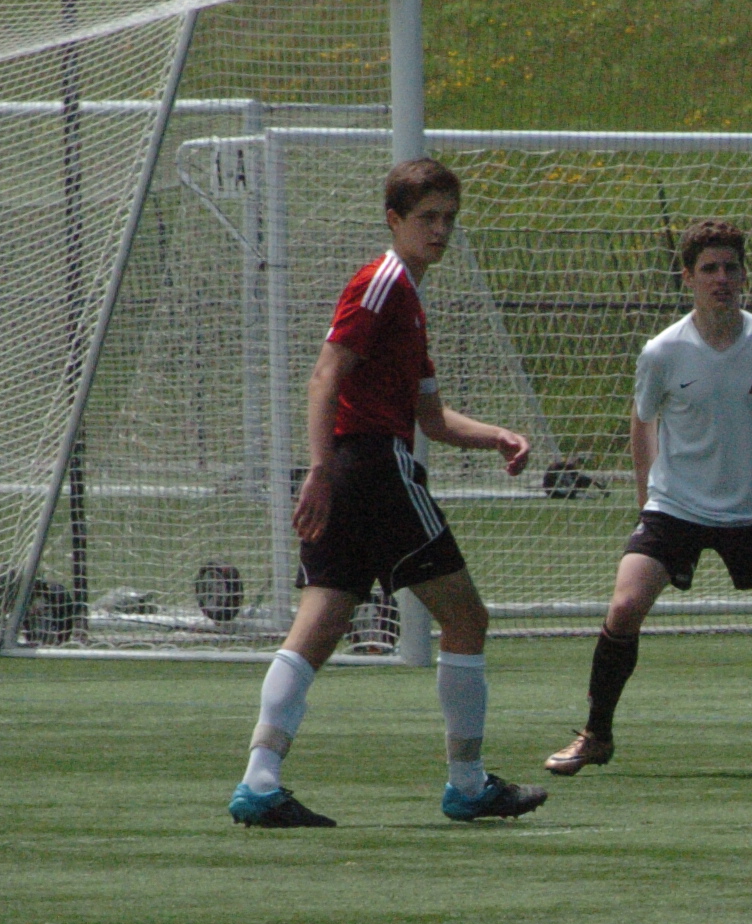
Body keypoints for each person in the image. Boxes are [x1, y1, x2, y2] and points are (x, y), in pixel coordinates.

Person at [226, 158, 541, 829]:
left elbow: (433, 419)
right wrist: (318, 468)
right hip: (371, 468)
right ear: (394, 220)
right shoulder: (384, 282)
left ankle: (259, 781)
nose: (440, 230)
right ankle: (467, 783)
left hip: (354, 470)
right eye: (427, 218)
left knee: (320, 624)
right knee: (466, 618)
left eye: (449, 218)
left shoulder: (409, 304)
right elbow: (325, 375)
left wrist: (496, 437)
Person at [544, 219, 752, 779]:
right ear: (688, 278)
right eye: (709, 269)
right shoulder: (663, 351)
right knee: (624, 607)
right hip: (676, 509)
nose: (721, 279)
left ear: (745, 275)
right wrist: (646, 498)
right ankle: (595, 736)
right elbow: (642, 420)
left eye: (730, 268)